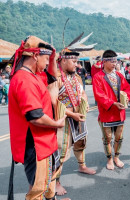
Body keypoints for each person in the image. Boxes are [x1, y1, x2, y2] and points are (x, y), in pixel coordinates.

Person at [8, 36, 68, 200]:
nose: (48, 63)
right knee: (37, 190)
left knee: (47, 184)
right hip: (36, 144)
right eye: (46, 59)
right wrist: (56, 123)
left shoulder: (33, 75)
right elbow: (35, 116)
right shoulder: (24, 79)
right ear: (35, 55)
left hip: (43, 142)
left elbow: (52, 77)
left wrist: (53, 56)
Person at [55, 49, 96, 196]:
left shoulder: (76, 76)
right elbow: (53, 103)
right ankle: (56, 181)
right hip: (65, 119)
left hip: (78, 116)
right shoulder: (56, 78)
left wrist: (84, 102)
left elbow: (82, 92)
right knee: (62, 149)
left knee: (80, 142)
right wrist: (72, 114)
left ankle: (82, 166)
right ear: (64, 60)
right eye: (74, 62)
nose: (77, 65)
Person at [93, 50, 130, 170]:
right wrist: (113, 103)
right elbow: (99, 95)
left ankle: (116, 157)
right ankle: (109, 158)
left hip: (120, 112)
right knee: (107, 138)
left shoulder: (119, 75)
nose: (114, 64)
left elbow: (127, 89)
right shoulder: (98, 77)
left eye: (115, 61)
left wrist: (126, 99)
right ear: (104, 62)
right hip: (107, 112)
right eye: (112, 61)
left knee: (119, 137)